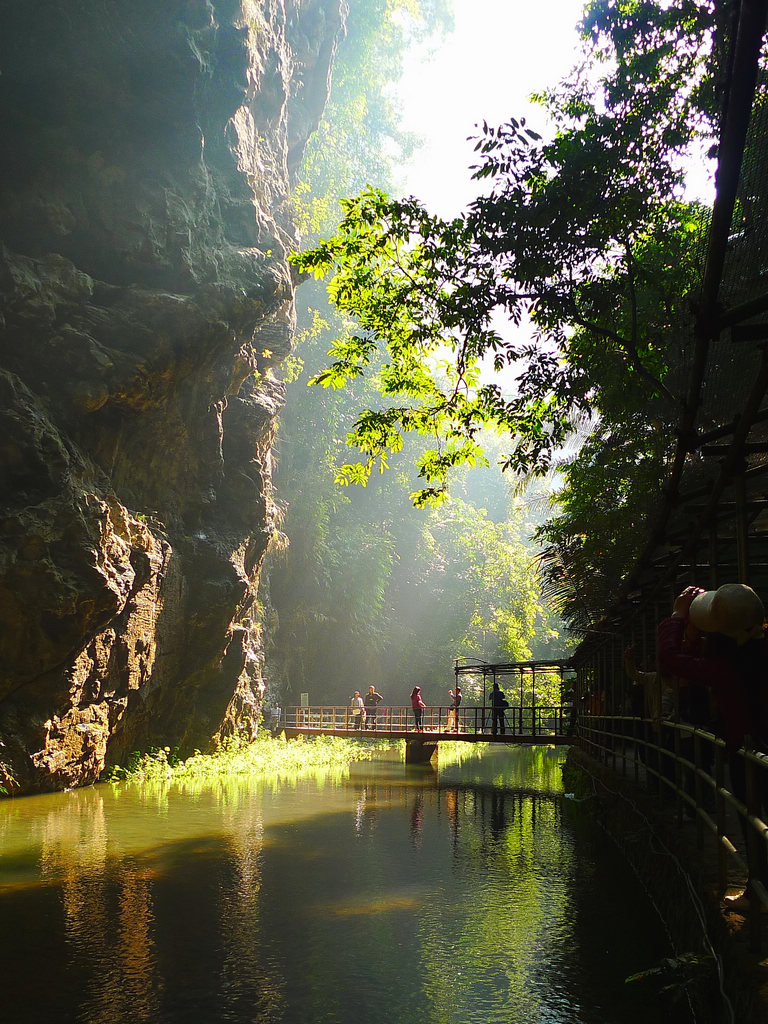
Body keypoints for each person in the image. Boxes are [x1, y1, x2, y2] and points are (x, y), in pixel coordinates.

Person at [658, 583, 768, 899]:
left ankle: (758, 892)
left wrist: (678, 618)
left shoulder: (728, 668)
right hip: (757, 744)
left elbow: (670, 659)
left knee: (752, 819)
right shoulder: (753, 652)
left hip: (749, 749)